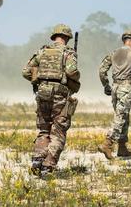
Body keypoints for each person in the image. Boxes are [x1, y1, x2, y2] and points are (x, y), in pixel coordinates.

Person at [22, 24, 81, 176]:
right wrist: (75, 80)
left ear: (54, 37)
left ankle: (37, 159)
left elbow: (26, 71)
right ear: (67, 38)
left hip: (42, 93)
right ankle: (48, 165)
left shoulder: (42, 51)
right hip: (59, 94)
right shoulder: (68, 52)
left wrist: (38, 81)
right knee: (59, 131)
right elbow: (71, 71)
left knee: (44, 130)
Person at [98, 30, 131, 159]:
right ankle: (107, 144)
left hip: (114, 87)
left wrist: (106, 85)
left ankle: (122, 147)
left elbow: (102, 70)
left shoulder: (114, 53)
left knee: (124, 116)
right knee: (120, 117)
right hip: (126, 87)